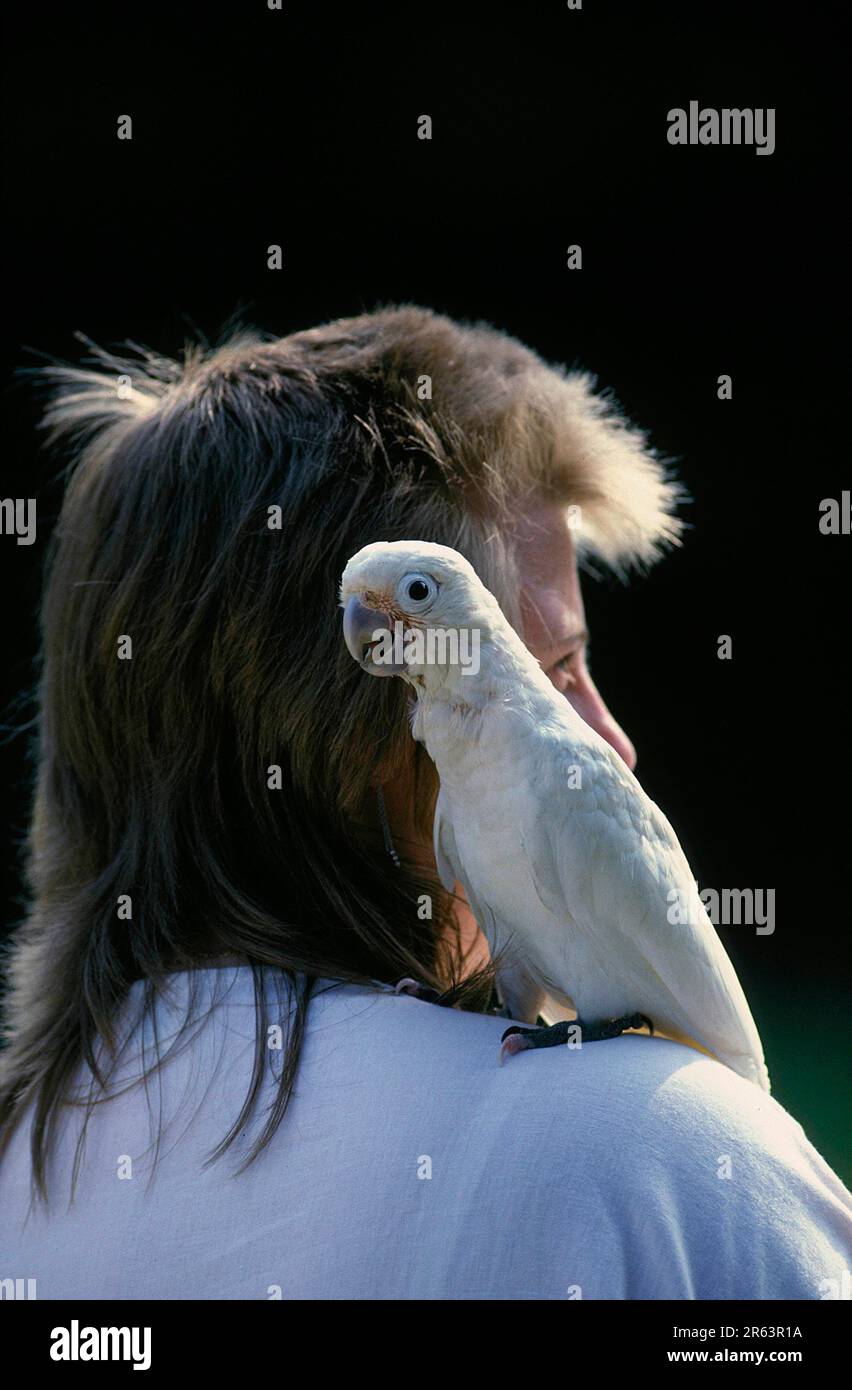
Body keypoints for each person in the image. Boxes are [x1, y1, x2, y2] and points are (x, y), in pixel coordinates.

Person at [1, 307, 849, 1300]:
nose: (612, 743)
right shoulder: (658, 1156)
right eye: (562, 669)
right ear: (352, 731)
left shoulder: (30, 1166)